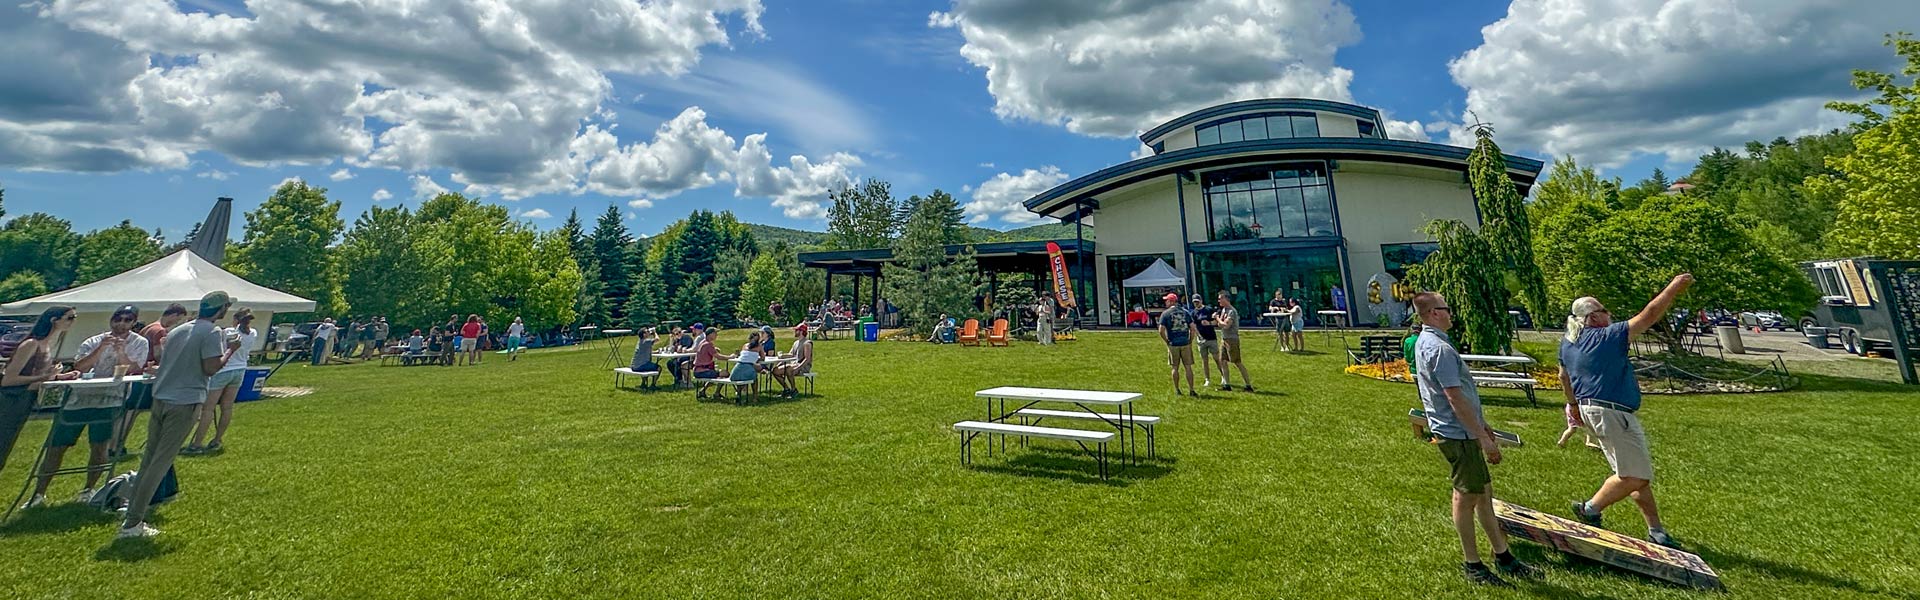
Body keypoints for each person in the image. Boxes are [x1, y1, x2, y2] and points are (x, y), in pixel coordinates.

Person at [1411, 291, 1539, 586]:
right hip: (1459, 435)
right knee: (1466, 497)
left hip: (1462, 430)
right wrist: (1482, 437)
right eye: (1446, 308)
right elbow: (1454, 398)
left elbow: (1459, 396)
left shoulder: (1429, 341)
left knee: (1484, 494)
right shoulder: (1438, 348)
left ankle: (1503, 557)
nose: (1451, 313)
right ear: (1434, 313)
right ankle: (1473, 566)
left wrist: (1482, 425)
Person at [1566, 274, 1694, 549]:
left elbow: (1563, 376)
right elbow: (1650, 315)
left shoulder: (1568, 343)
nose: (1609, 314)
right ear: (1593, 317)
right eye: (1604, 310)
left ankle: (1656, 530)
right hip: (1612, 413)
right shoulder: (1607, 336)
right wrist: (1674, 287)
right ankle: (1590, 508)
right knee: (1635, 476)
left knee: (1631, 474)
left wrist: (1573, 406)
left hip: (1593, 411)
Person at [120, 291, 243, 539]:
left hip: (161, 398)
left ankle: (132, 509)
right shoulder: (212, 332)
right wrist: (231, 350)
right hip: (185, 402)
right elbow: (211, 368)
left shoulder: (178, 330)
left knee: (149, 458)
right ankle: (132, 523)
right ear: (222, 309)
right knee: (161, 462)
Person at [114, 303, 189, 458]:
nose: (176, 323)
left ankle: (116, 444)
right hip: (145, 376)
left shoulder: (148, 327)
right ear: (173, 315)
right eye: (178, 319)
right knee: (132, 412)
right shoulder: (159, 330)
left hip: (136, 375)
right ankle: (116, 445)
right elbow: (159, 355)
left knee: (128, 412)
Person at [187, 307, 258, 455]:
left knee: (208, 408)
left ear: (236, 319)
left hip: (223, 370)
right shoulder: (253, 333)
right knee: (227, 407)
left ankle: (197, 443)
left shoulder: (228, 332)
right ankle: (217, 439)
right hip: (240, 370)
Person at [1157, 293, 1199, 397]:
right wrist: (1190, 340)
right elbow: (1192, 328)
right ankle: (1191, 389)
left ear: (1171, 301)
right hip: (1185, 342)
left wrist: (1166, 340)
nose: (1165, 302)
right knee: (1188, 367)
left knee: (1175, 367)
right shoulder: (1185, 312)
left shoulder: (1165, 314)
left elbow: (1161, 330)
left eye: (1167, 300)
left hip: (1173, 343)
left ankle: (1177, 389)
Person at [1215, 291, 1252, 392]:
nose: (1219, 301)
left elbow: (1226, 325)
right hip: (1224, 339)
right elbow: (1220, 325)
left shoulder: (1232, 311)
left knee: (1237, 362)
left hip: (1232, 339)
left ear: (1226, 299)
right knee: (1222, 361)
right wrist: (1220, 321)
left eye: (1220, 298)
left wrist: (1217, 318)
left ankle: (1248, 385)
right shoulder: (1224, 310)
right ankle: (1227, 385)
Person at [772, 324, 814, 398]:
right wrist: (782, 356)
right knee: (775, 370)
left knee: (789, 370)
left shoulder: (807, 343)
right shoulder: (796, 343)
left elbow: (807, 359)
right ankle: (786, 389)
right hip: (793, 364)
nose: (795, 331)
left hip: (803, 366)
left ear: (801, 331)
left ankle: (793, 390)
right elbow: (791, 355)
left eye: (796, 330)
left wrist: (798, 368)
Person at [1191, 294, 1219, 386]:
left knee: (1216, 358)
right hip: (1201, 339)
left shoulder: (1208, 310)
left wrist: (1209, 323)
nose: (1196, 303)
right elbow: (1194, 326)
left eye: (1197, 301)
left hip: (1211, 337)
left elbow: (1216, 322)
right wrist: (1198, 335)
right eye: (1194, 302)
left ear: (1201, 301)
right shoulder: (1193, 313)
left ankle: (1223, 376)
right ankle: (1207, 379)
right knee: (1204, 360)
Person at [691, 326, 725, 399]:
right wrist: (731, 357)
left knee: (715, 374)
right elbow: (718, 357)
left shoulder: (702, 342)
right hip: (703, 371)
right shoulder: (708, 344)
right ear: (710, 334)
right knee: (725, 373)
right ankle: (717, 393)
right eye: (715, 333)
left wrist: (714, 349)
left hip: (697, 370)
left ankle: (702, 391)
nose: (716, 335)